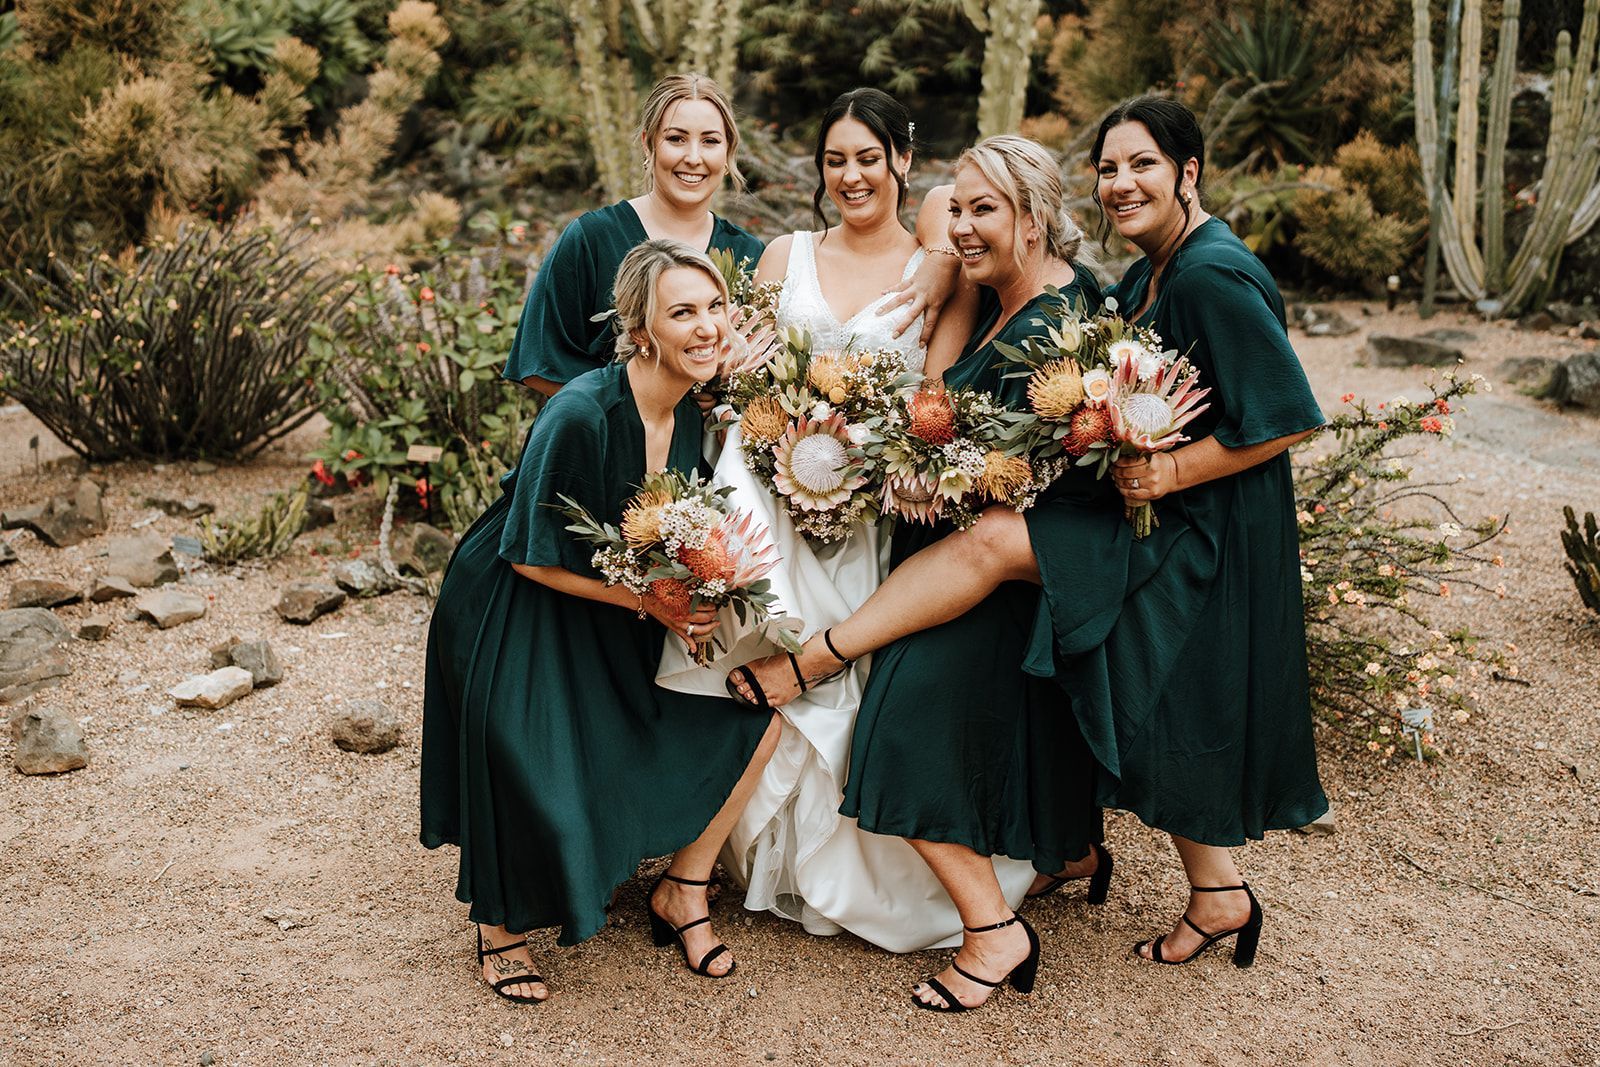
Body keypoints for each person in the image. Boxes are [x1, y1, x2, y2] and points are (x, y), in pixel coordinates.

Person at [727, 100, 1327, 995]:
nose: (1122, 183)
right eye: (1110, 167)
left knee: (992, 585)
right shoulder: (1132, 280)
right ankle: (1194, 885)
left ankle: (995, 927)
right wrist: (940, 268)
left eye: (1143, 166)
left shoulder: (1197, 280)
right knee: (1150, 714)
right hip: (1096, 525)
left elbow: (1285, 418)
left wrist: (1165, 477)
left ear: (1187, 172)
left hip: (1163, 533)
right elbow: (939, 211)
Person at [658, 91, 1036, 953]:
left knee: (818, 676)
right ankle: (699, 869)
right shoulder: (784, 252)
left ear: (902, 161)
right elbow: (724, 374)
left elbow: (928, 411)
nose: (851, 175)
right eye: (836, 159)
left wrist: (852, 451)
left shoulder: (940, 267)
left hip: (862, 512)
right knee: (748, 657)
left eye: (869, 156)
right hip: (757, 490)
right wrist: (743, 386)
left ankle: (704, 874)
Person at [421, 240, 782, 1004]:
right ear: (640, 328)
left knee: (752, 718)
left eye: (715, 306)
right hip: (513, 596)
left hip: (606, 599)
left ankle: (682, 886)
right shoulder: (579, 412)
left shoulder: (699, 413)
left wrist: (700, 590)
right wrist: (657, 603)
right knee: (528, 753)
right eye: (683, 311)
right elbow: (528, 555)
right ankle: (501, 927)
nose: (709, 325)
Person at [839, 135, 1110, 1013]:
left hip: (1022, 575)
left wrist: (911, 461)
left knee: (898, 718)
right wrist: (941, 260)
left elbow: (995, 468)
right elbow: (945, 409)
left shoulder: (1060, 326)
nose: (960, 224)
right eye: (956, 205)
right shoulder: (999, 290)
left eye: (982, 209)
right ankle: (1068, 851)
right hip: (970, 557)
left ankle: (994, 933)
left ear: (1035, 219)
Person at [504, 74, 954, 398]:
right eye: (677, 139)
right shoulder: (593, 237)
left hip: (711, 472)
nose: (693, 158)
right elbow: (539, 366)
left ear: (729, 152)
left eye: (710, 142)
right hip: (597, 454)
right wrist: (635, 411)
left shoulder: (745, 253)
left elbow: (747, 374)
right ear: (649, 145)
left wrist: (940, 254)